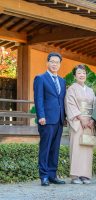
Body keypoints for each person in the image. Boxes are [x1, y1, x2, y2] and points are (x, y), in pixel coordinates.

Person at [33, 52, 66, 186]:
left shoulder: (62, 81)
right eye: (52, 61)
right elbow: (38, 99)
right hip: (46, 119)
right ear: (47, 63)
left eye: (57, 62)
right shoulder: (40, 78)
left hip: (59, 120)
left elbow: (62, 100)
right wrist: (41, 116)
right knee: (45, 148)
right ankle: (44, 176)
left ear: (59, 64)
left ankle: (52, 175)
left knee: (55, 148)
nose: (54, 64)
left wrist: (65, 117)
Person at [65, 64, 96, 184]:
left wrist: (92, 119)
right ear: (75, 76)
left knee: (87, 148)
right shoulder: (71, 89)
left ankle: (85, 175)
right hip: (77, 122)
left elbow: (95, 105)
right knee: (77, 148)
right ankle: (75, 176)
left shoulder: (90, 90)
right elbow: (70, 104)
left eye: (83, 73)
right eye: (79, 73)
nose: (82, 75)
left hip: (89, 123)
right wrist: (81, 118)